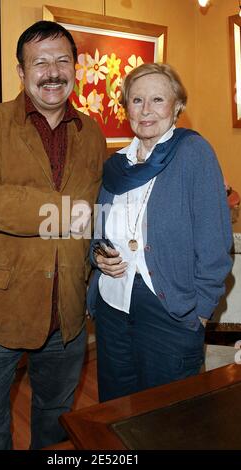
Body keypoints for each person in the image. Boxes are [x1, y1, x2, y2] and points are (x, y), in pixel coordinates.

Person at [0, 21, 106, 449]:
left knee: (54, 422)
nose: (53, 71)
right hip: (0, 310)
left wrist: (99, 249)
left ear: (76, 69)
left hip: (68, 314)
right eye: (39, 62)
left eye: (62, 60)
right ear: (21, 73)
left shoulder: (93, 134)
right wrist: (62, 211)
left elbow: (97, 208)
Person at [87, 63, 233, 403]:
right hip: (113, 307)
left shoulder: (194, 154)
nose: (146, 110)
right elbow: (99, 226)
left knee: (165, 416)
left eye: (157, 99)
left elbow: (215, 244)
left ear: (177, 106)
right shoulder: (117, 164)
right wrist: (98, 254)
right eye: (137, 100)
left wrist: (199, 312)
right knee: (116, 410)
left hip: (170, 311)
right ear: (126, 109)